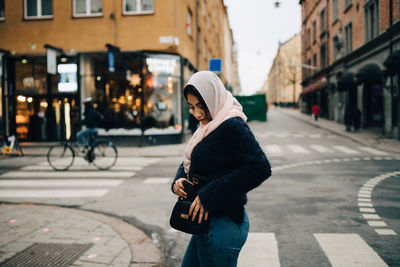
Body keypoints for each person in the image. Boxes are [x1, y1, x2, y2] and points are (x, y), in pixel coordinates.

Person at [171, 71, 272, 266]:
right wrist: (179, 180)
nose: (197, 113)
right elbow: (194, 160)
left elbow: (260, 167)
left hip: (222, 223)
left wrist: (208, 195)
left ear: (213, 98)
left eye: (201, 106)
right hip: (205, 222)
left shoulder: (231, 125)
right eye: (192, 107)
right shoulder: (208, 125)